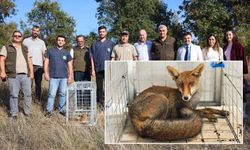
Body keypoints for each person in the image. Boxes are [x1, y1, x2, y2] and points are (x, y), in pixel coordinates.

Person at [0, 31, 34, 119]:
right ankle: (14, 113)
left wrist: (32, 73)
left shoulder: (25, 48)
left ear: (22, 37)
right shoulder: (7, 47)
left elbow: (30, 60)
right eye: (15, 36)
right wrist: (3, 72)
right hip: (13, 75)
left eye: (19, 36)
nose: (17, 37)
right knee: (14, 95)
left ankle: (27, 112)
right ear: (12, 37)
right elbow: (2, 59)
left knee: (28, 94)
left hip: (26, 75)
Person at [44, 35, 73, 117]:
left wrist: (70, 76)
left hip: (64, 77)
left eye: (62, 40)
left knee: (63, 94)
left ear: (64, 42)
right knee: (51, 94)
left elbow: (70, 65)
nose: (60, 41)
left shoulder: (66, 53)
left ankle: (62, 110)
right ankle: (49, 111)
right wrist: (46, 73)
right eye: (59, 40)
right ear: (56, 41)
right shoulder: (50, 51)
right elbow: (46, 62)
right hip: (53, 76)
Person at [223, 30, 248, 120]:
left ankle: (244, 112)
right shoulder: (225, 47)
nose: (228, 36)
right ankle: (235, 109)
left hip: (238, 71)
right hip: (229, 72)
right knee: (233, 90)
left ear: (233, 35)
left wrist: (245, 72)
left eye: (230, 34)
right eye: (227, 35)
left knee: (241, 91)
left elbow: (243, 58)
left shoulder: (238, 45)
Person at [90, 26, 115, 107]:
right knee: (99, 87)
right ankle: (100, 104)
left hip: (108, 69)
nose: (102, 33)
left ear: (106, 32)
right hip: (98, 69)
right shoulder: (94, 44)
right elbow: (92, 58)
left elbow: (114, 57)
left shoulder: (111, 44)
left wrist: (112, 67)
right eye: (100, 32)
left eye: (103, 31)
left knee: (109, 87)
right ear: (98, 33)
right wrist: (93, 70)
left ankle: (110, 103)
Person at [23, 25, 47, 100]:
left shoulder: (41, 42)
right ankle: (27, 99)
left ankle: (37, 99)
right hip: (28, 66)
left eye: (37, 31)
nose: (35, 32)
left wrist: (45, 66)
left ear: (39, 32)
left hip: (39, 66)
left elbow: (44, 54)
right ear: (31, 31)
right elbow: (23, 52)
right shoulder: (25, 41)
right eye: (34, 30)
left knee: (38, 84)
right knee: (28, 84)